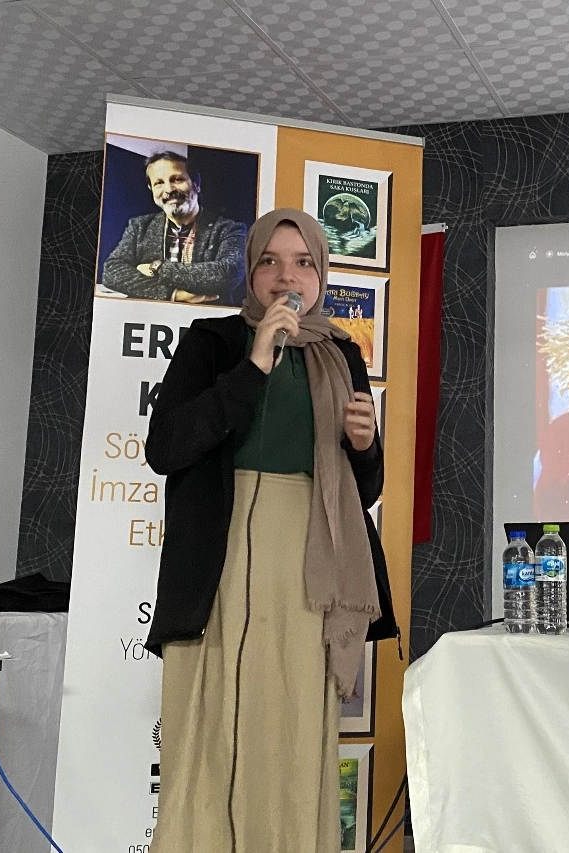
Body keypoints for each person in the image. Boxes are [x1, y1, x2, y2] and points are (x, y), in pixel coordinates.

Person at [143, 208, 398, 853]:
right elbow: (167, 447)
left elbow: (362, 491)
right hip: (219, 558)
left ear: (321, 275)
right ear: (251, 272)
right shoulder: (212, 343)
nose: (287, 277)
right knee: (211, 721)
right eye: (271, 262)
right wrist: (254, 365)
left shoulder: (341, 355)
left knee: (290, 721)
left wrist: (364, 447)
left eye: (303, 263)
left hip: (308, 564)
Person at [102, 151, 247, 305]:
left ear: (196, 185)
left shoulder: (229, 229)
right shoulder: (139, 226)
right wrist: (173, 294)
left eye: (177, 179)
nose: (169, 189)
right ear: (151, 189)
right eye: (159, 183)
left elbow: (228, 274)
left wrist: (158, 268)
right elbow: (111, 272)